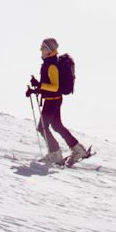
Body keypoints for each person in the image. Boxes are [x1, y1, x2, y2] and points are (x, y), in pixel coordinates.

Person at [27, 37, 91, 165]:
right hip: (53, 100)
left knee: (42, 128)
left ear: (49, 50)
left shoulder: (51, 65)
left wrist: (39, 85)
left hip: (52, 101)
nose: (41, 49)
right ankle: (78, 150)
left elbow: (54, 86)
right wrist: (35, 90)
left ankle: (55, 154)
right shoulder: (49, 63)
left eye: (43, 47)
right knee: (56, 126)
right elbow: (49, 86)